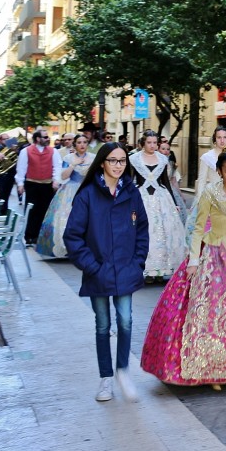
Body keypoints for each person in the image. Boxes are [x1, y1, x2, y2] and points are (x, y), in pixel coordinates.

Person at [142, 150, 226, 388]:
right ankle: (213, 367)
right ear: (219, 172)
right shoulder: (210, 193)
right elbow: (197, 228)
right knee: (214, 310)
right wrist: (194, 260)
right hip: (215, 254)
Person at [63, 142, 150, 403]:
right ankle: (105, 378)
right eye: (112, 160)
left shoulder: (132, 193)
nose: (117, 165)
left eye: (122, 160)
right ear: (102, 162)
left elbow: (142, 230)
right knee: (103, 325)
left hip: (126, 269)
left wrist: (137, 263)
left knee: (125, 321)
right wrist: (92, 267)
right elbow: (73, 236)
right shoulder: (88, 195)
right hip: (98, 272)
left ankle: (123, 370)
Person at [129, 130, 187, 281]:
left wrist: (174, 203)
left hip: (161, 198)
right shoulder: (134, 159)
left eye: (155, 143)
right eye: (149, 142)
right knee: (147, 232)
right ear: (143, 143)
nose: (152, 145)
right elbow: (131, 180)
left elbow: (166, 182)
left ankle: (162, 269)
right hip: (142, 197)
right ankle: (147, 269)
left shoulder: (162, 159)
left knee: (164, 232)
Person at [36, 134, 93, 257]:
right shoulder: (68, 158)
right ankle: (67, 248)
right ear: (75, 145)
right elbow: (63, 176)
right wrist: (74, 164)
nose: (82, 145)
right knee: (65, 217)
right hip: (70, 191)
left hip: (87, 190)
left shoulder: (93, 158)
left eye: (84, 142)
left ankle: (86, 247)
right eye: (79, 142)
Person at [15, 128, 62, 245]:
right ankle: (30, 236)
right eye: (45, 137)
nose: (48, 139)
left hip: (47, 185)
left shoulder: (53, 151)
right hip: (32, 184)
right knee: (31, 210)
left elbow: (57, 167)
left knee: (44, 211)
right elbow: (21, 168)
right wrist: (20, 183)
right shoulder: (26, 151)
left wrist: (56, 180)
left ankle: (41, 236)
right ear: (38, 139)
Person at [158, 139, 188, 224]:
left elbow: (174, 181)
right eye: (163, 149)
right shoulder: (156, 163)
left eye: (168, 149)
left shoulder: (171, 163)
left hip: (172, 191)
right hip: (161, 191)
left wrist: (181, 195)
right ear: (158, 149)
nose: (165, 151)